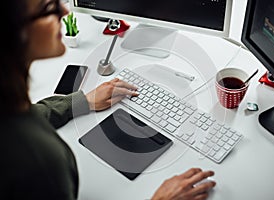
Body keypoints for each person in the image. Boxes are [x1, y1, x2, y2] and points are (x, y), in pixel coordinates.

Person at [0, 0, 216, 199]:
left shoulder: (10, 105)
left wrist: (81, 101)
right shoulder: (37, 165)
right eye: (48, 7)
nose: (65, 10)